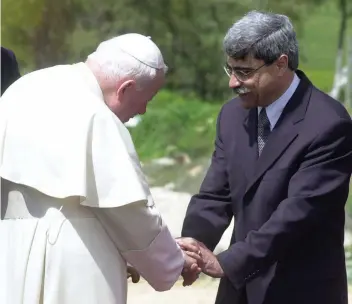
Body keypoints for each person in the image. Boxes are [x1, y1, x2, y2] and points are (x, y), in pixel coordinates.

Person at [0, 33, 202, 304]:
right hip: (74, 264)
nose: (142, 110)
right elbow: (131, 212)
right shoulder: (95, 115)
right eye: (147, 99)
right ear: (126, 88)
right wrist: (175, 263)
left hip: (11, 256)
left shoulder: (22, 88)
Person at [177, 11, 352, 304]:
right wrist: (190, 247)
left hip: (301, 289)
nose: (233, 82)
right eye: (230, 69)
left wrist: (228, 262)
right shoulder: (232, 116)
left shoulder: (328, 123)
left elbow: (298, 215)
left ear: (281, 63)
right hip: (240, 292)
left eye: (244, 71)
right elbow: (215, 196)